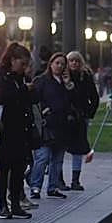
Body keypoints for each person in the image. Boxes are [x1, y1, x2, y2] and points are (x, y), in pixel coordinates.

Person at [0, 42, 36, 219]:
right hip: (6, 130)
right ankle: (3, 205)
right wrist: (24, 90)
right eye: (22, 63)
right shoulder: (3, 78)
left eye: (26, 65)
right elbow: (3, 98)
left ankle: (16, 203)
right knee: (3, 169)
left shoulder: (22, 79)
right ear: (12, 60)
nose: (24, 68)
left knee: (19, 169)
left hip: (21, 130)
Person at [32, 52, 73, 197]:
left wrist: (68, 85)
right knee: (42, 157)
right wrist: (44, 111)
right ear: (51, 64)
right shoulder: (42, 81)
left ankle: (53, 187)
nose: (59, 66)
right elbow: (35, 99)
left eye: (62, 64)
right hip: (47, 125)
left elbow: (71, 101)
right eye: (57, 63)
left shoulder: (65, 83)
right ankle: (35, 186)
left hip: (61, 125)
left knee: (58, 160)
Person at [64, 51, 100, 191]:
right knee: (59, 149)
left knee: (78, 148)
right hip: (65, 116)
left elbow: (94, 97)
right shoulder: (63, 76)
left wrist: (89, 113)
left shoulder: (85, 77)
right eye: (71, 61)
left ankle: (75, 180)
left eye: (77, 61)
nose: (74, 63)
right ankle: (58, 179)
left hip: (81, 116)